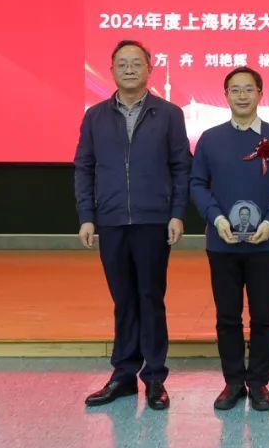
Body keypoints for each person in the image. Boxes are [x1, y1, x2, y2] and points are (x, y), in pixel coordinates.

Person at [75, 39, 191, 411]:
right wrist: (87, 216)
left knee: (150, 298)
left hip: (153, 220)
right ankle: (123, 374)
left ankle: (154, 377)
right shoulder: (95, 116)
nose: (129, 69)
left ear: (149, 70)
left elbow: (181, 167)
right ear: (111, 70)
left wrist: (177, 213)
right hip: (110, 221)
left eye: (136, 63)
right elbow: (84, 168)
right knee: (123, 299)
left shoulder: (169, 114)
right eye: (122, 63)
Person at [190, 66, 269, 412]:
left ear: (260, 94)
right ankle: (233, 381)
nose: (242, 95)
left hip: (265, 242)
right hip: (222, 243)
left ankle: (259, 382)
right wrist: (217, 218)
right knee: (227, 316)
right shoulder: (210, 139)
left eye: (248, 89)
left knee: (264, 315)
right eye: (235, 89)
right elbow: (197, 184)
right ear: (226, 95)